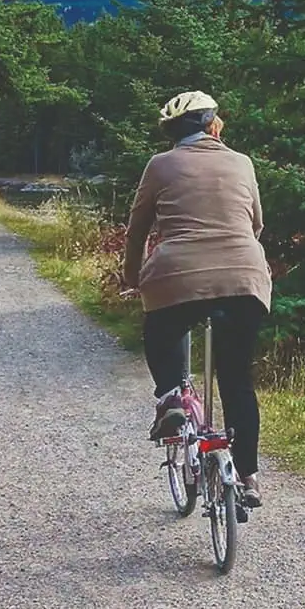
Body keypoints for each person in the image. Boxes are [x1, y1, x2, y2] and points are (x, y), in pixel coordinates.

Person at [121, 91, 272, 507]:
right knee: (238, 381)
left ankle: (170, 397)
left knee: (160, 331)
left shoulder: (160, 165)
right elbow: (255, 224)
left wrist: (132, 277)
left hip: (176, 276)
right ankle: (248, 478)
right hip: (245, 278)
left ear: (173, 135)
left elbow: (138, 231)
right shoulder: (243, 162)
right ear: (214, 125)